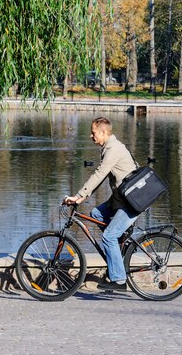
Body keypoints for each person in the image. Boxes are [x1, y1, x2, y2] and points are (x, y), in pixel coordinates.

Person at [64, 117, 138, 291]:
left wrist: (80, 196)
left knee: (109, 237)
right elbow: (102, 177)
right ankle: (121, 247)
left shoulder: (113, 149)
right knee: (97, 214)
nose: (90, 136)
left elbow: (100, 174)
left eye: (93, 132)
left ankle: (119, 280)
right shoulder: (109, 147)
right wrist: (83, 196)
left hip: (131, 201)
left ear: (104, 132)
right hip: (122, 197)